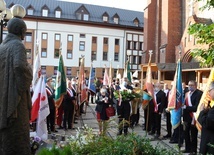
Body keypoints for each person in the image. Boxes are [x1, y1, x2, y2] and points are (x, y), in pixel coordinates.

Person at [0, 18, 33, 155]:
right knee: (18, 136)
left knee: (6, 139)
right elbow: (20, 66)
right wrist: (30, 70)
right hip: (16, 100)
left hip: (3, 98)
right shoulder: (17, 45)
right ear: (21, 31)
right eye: (24, 31)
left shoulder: (2, 47)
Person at [182, 80, 203, 154]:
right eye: (189, 85)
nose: (190, 87)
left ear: (195, 86)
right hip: (186, 117)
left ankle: (193, 151)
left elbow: (196, 107)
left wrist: (185, 107)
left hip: (193, 117)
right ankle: (187, 148)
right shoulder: (187, 93)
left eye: (192, 85)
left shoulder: (199, 93)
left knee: (193, 135)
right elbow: (184, 104)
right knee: (186, 134)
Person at [198, 81, 214, 155]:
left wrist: (201, 112)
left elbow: (208, 123)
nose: (208, 93)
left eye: (209, 91)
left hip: (210, 142)